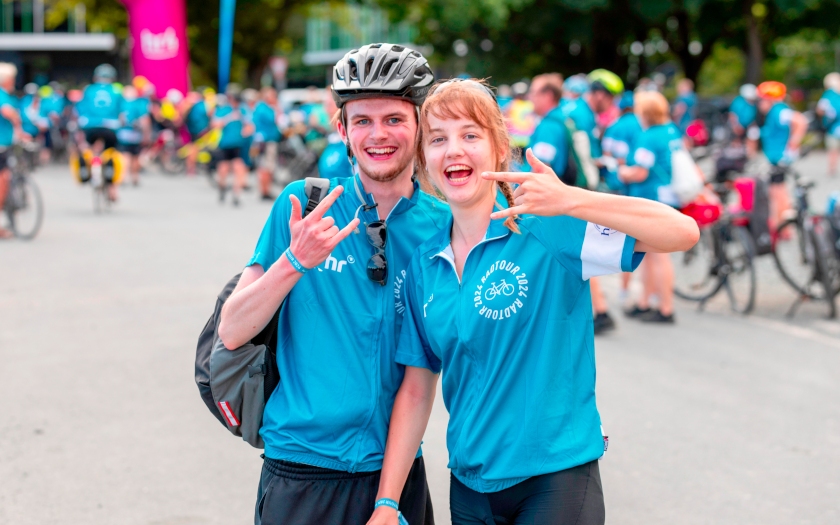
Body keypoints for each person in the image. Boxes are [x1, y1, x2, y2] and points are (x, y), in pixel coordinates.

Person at [366, 79, 699, 525]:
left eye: (470, 135)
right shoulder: (425, 262)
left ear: (500, 148)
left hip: (554, 480)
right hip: (469, 488)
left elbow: (682, 232)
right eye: (438, 139)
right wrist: (387, 502)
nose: (454, 150)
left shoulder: (545, 228)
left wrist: (573, 200)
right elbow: (416, 386)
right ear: (424, 158)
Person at [217, 43, 443, 525]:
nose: (378, 135)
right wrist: (294, 262)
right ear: (342, 129)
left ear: (420, 125)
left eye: (394, 119)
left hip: (396, 472)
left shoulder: (442, 226)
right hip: (301, 470)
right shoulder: (304, 204)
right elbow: (232, 330)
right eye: (362, 121)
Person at [618, 91, 692, 323]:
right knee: (650, 254)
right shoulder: (671, 130)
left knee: (658, 256)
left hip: (651, 199)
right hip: (668, 197)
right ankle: (645, 302)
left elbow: (640, 173)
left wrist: (623, 172)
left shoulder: (648, 137)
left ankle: (665, 308)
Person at [602, 90, 643, 305]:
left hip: (619, 185)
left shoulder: (616, 126)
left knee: (625, 238)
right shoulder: (643, 125)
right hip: (641, 186)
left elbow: (612, 155)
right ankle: (644, 294)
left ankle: (624, 289)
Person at [755, 81, 808, 232]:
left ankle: (783, 227)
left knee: (779, 191)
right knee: (776, 190)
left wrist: (794, 141)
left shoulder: (779, 110)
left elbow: (800, 121)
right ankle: (780, 224)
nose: (759, 104)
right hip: (776, 157)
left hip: (780, 157)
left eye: (761, 99)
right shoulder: (776, 111)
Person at [75, 63, 123, 202]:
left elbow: (79, 109)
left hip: (90, 126)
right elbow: (121, 112)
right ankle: (112, 189)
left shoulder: (88, 89)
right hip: (110, 127)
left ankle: (88, 170)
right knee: (112, 153)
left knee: (87, 148)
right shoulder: (116, 90)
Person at [525, 73, 571, 183]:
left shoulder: (549, 126)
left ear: (548, 96)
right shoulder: (559, 119)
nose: (529, 97)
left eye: (533, 92)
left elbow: (539, 171)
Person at [212, 86, 253, 206]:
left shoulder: (242, 110)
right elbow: (215, 124)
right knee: (223, 167)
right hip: (225, 143)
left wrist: (246, 130)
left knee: (238, 167)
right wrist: (229, 118)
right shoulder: (224, 110)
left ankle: (236, 193)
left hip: (238, 144)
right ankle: (222, 187)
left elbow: (250, 125)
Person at [0, 62, 22, 239]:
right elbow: (7, 111)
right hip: (1, 144)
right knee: (4, 179)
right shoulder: (2, 95)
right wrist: (17, 120)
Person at [252, 86, 283, 200]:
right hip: (267, 140)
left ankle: (265, 190)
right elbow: (276, 119)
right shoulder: (265, 108)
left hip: (264, 140)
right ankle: (265, 191)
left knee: (264, 165)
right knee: (267, 166)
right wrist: (277, 107)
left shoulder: (259, 107)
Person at [117, 85, 151, 186]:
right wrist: (146, 135)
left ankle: (125, 175)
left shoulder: (121, 103)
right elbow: (145, 121)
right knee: (135, 156)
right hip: (136, 134)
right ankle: (135, 175)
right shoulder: (139, 104)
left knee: (125, 155)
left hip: (123, 133)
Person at [317, 86, 354, 180]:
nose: (326, 110)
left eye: (329, 105)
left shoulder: (351, 143)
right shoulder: (333, 139)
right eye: (325, 105)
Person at [816, 72, 840, 177]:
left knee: (833, 150)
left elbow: (820, 109)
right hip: (836, 126)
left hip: (832, 128)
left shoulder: (828, 94)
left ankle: (832, 169)